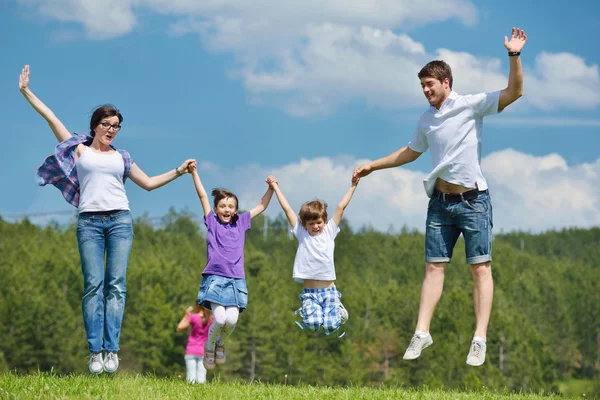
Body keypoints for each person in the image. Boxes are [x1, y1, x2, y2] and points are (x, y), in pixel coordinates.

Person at [352, 28, 527, 366]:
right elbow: (410, 152)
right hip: (440, 204)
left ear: (446, 82)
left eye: (429, 84)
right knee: (433, 267)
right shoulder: (425, 121)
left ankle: (479, 338)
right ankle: (422, 332)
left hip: (474, 202)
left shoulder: (471, 105)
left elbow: (514, 92)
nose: (425, 90)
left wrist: (514, 56)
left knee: (480, 269)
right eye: (422, 86)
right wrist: (373, 166)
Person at [19, 65, 196, 374]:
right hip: (88, 223)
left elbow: (150, 183)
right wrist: (26, 92)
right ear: (95, 125)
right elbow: (52, 118)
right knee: (92, 286)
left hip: (120, 223)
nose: (111, 129)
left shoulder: (122, 157)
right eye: (106, 124)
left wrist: (180, 170)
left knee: (116, 286)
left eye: (116, 125)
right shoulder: (78, 149)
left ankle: (111, 350)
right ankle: (94, 352)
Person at [189, 163, 274, 371]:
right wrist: (194, 173)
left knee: (232, 319)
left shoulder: (241, 222)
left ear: (235, 209)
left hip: (236, 280)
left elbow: (261, 206)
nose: (227, 210)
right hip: (216, 279)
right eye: (223, 206)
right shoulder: (212, 222)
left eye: (231, 206)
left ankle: (221, 344)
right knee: (219, 318)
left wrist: (271, 188)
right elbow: (202, 196)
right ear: (216, 209)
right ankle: (209, 346)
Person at [266, 175, 359, 336]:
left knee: (331, 327)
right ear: (304, 225)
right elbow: (287, 210)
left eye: (319, 222)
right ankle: (311, 313)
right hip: (310, 292)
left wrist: (353, 185)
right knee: (313, 325)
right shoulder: (302, 234)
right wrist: (275, 188)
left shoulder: (329, 232)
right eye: (311, 224)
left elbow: (341, 207)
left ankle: (337, 308)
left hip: (329, 291)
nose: (316, 226)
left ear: (324, 220)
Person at [177, 304, 213, 383]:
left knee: (190, 377)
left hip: (191, 350)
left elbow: (179, 327)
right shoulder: (211, 319)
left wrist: (186, 315)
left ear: (198, 306)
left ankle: (189, 394)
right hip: (204, 351)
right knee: (201, 378)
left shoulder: (194, 317)